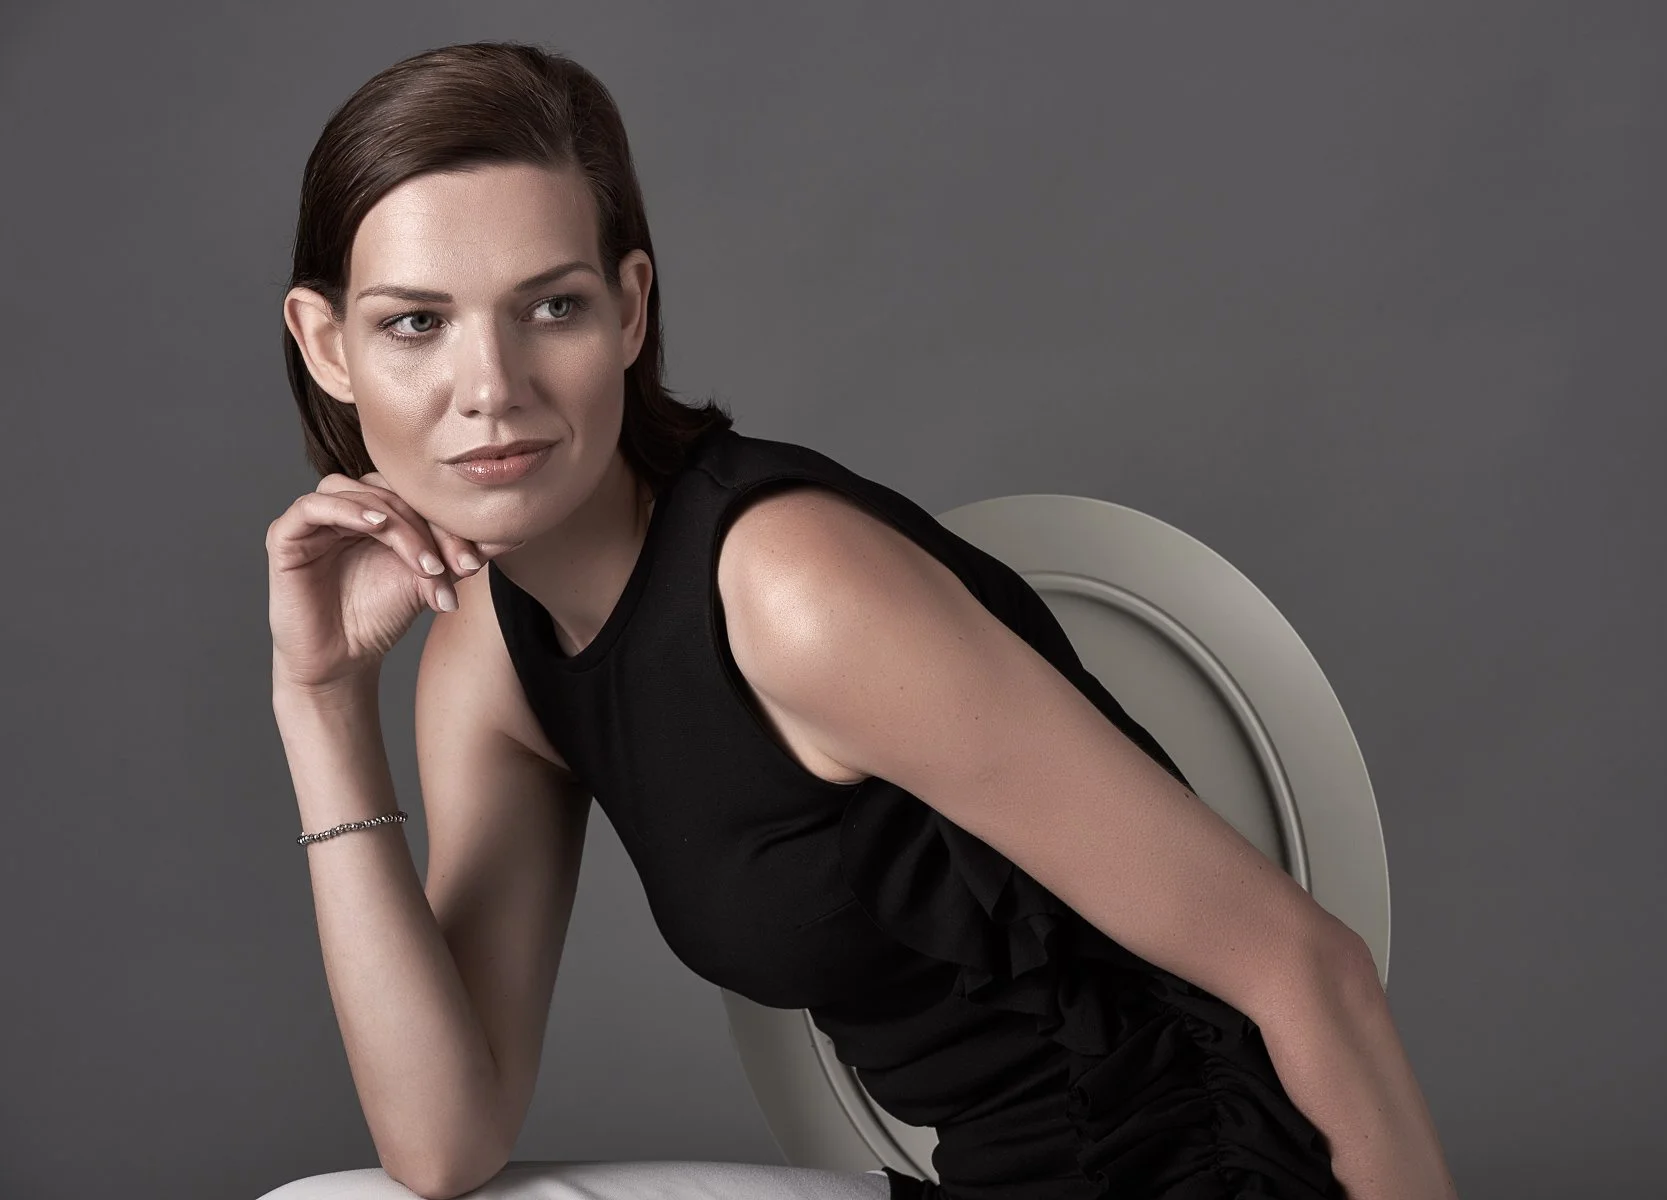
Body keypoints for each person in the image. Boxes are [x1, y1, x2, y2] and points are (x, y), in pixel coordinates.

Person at [261, 39, 1457, 1200]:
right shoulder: (490, 657)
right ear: (327, 345)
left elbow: (1307, 967)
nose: (491, 389)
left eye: (552, 307)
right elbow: (443, 1145)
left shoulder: (790, 589)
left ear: (628, 312)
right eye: (416, 323)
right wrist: (321, 699)